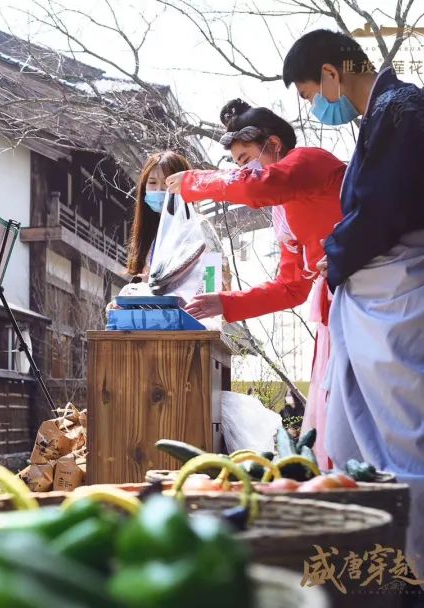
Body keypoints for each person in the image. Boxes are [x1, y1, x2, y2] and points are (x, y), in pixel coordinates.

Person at [284, 30, 424, 608]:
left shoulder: (400, 109)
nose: (314, 107)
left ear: (331, 73)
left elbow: (381, 208)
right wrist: (341, 251)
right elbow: (377, 209)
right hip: (399, 292)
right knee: (392, 453)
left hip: (410, 293)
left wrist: (338, 252)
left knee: (420, 456)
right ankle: (404, 583)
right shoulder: (391, 112)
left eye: (308, 94)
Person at [164, 99, 345, 467]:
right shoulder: (283, 210)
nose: (242, 171)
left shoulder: (310, 161)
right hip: (334, 307)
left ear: (274, 145)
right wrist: (226, 303)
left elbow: (261, 185)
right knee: (339, 418)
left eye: (246, 160)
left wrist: (195, 182)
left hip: (364, 288)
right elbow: (292, 286)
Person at [126, 151, 193, 279]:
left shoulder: (193, 231)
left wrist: (152, 282)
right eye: (152, 183)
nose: (159, 190)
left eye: (168, 183)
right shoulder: (149, 233)